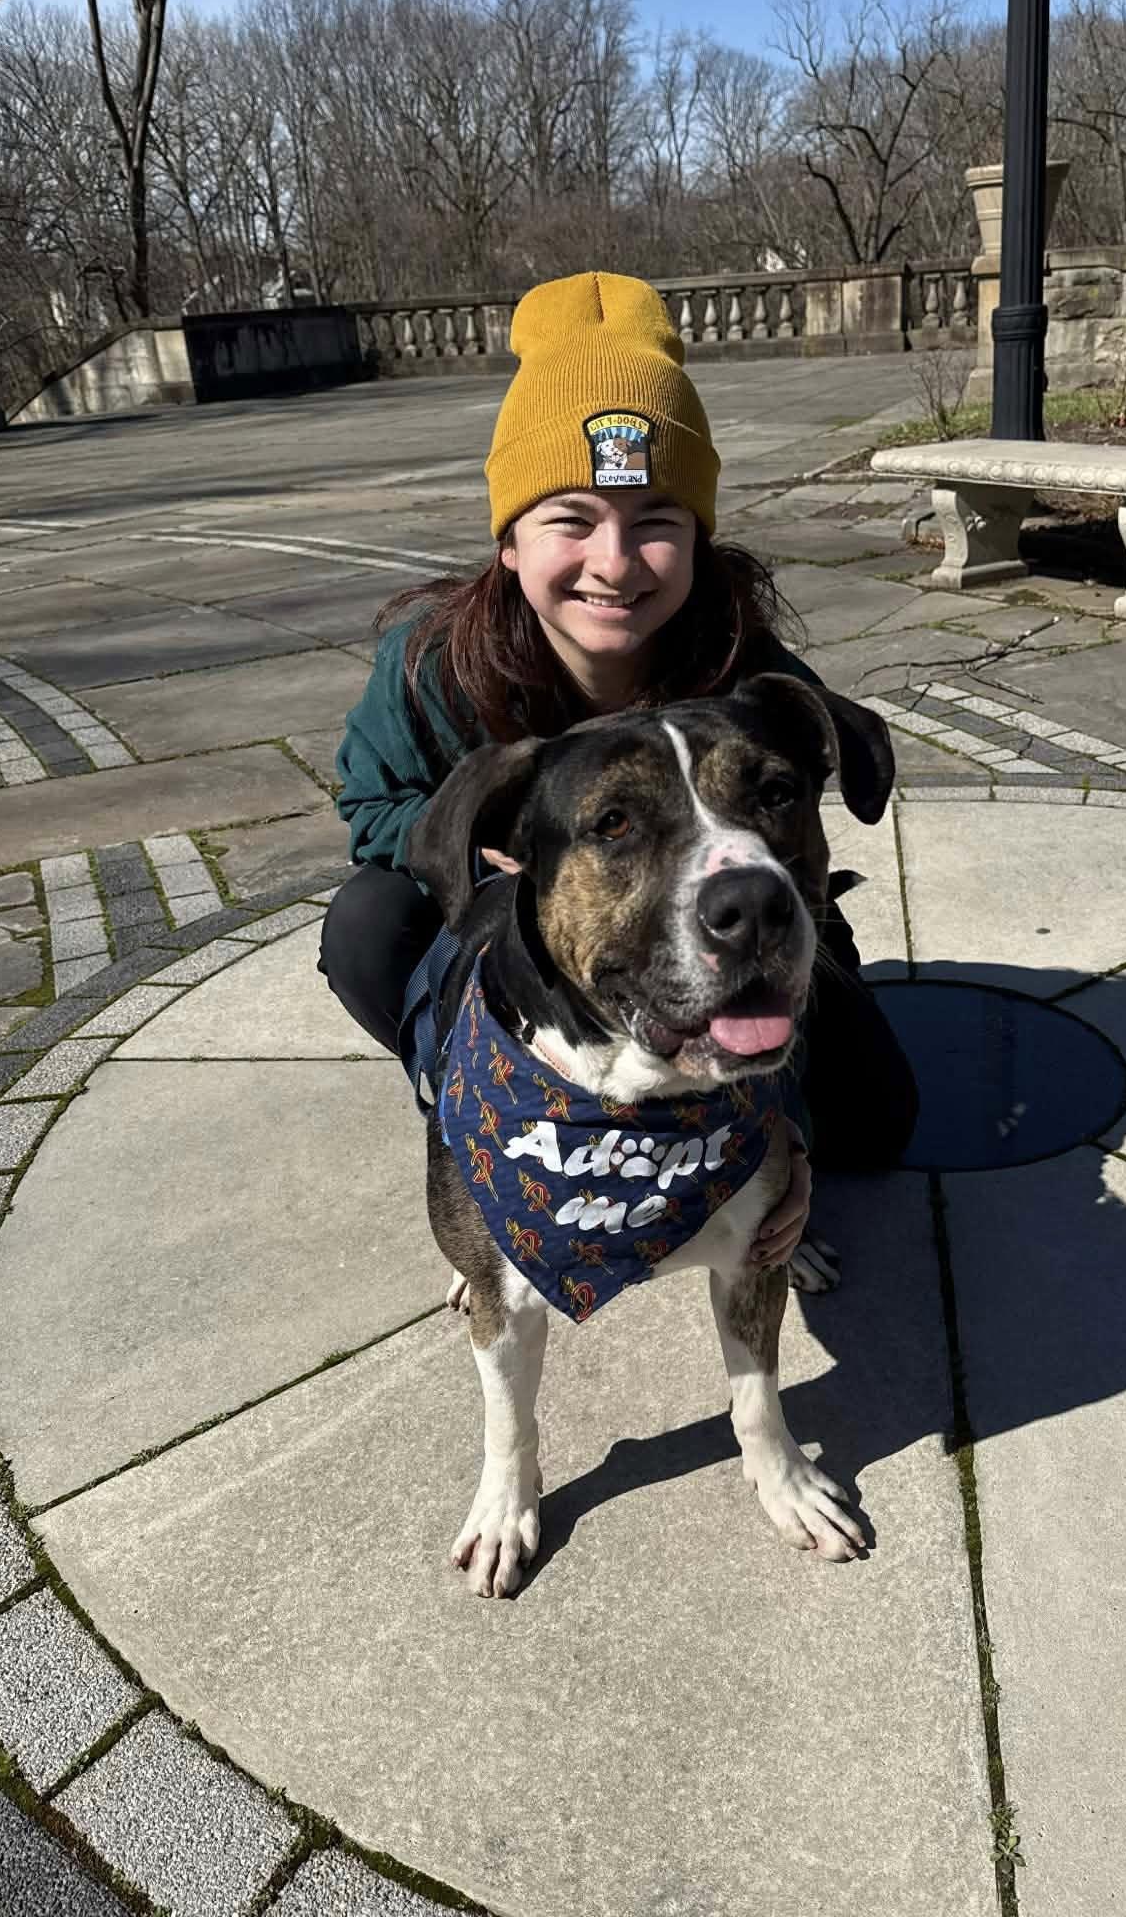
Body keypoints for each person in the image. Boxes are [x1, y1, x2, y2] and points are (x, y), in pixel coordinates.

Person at [319, 271, 916, 1277]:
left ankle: (745, 1135)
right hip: (521, 940)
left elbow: (822, 794)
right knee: (368, 926)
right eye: (571, 517)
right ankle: (478, 1130)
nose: (616, 559)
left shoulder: (741, 664)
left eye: (655, 520)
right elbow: (371, 803)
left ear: (697, 540)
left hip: (736, 922)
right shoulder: (435, 666)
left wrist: (785, 1134)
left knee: (880, 1127)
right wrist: (490, 848)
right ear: (510, 538)